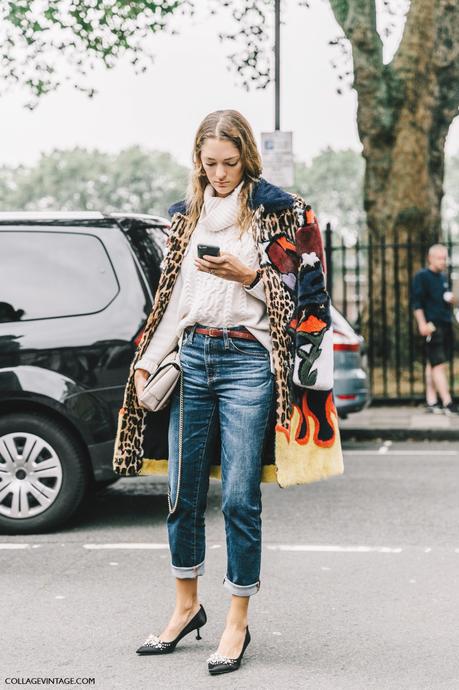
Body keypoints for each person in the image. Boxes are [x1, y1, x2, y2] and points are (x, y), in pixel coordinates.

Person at [112, 109, 343, 675]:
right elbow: (174, 302)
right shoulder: (183, 218)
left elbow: (310, 304)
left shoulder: (282, 213)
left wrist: (250, 277)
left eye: (229, 163)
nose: (218, 174)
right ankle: (186, 608)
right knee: (181, 493)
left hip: (248, 363)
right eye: (209, 163)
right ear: (198, 160)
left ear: (247, 159)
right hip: (192, 356)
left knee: (239, 497)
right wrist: (147, 362)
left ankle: (236, 620)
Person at [412, 243, 457, 414]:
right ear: (430, 258)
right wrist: (422, 324)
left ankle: (431, 401)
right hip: (432, 325)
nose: (443, 261)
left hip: (445, 323)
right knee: (438, 365)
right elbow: (417, 303)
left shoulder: (444, 277)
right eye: (440, 258)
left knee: (433, 363)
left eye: (445, 258)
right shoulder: (422, 277)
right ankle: (447, 402)